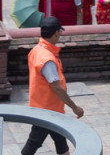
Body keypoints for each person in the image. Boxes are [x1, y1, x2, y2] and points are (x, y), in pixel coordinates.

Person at [22, 17, 84, 155]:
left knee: (60, 141)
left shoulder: (37, 50)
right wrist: (75, 107)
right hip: (47, 110)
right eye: (59, 32)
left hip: (47, 107)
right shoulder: (47, 59)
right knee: (33, 143)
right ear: (56, 33)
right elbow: (57, 88)